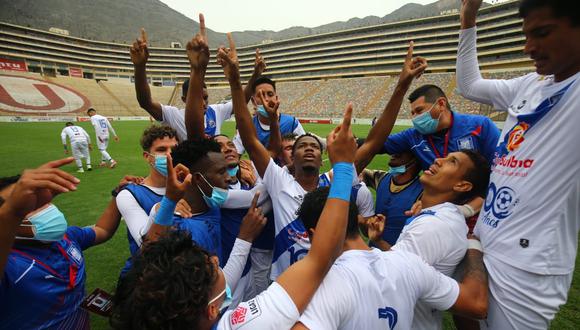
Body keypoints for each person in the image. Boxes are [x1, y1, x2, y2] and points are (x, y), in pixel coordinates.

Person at [110, 39, 359, 327]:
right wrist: (342, 168)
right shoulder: (239, 320)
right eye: (207, 267)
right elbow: (318, 259)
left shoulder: (191, 210)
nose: (214, 261)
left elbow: (150, 246)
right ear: (210, 309)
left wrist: (166, 203)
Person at [456, 0, 580, 328]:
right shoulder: (529, 85)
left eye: (542, 33)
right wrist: (468, 20)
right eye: (526, 36)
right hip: (485, 238)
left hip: (529, 266)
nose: (529, 48)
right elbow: (469, 86)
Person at [222, 39, 373, 279]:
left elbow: (367, 147)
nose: (308, 148)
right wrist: (234, 79)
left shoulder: (327, 177)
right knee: (253, 200)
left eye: (315, 145)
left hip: (326, 274)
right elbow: (247, 143)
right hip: (285, 273)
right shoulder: (278, 175)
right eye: (302, 146)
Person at [292, 185, 489, 330]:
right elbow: (476, 304)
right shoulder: (409, 263)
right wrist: (473, 246)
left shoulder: (321, 286)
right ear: (354, 219)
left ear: (314, 234)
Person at [365, 150, 491, 330]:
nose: (438, 160)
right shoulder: (439, 216)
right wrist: (379, 241)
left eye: (452, 162)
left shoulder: (434, 226)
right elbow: (408, 264)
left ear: (462, 185)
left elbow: (388, 279)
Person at [0, 159, 127, 328]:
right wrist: (12, 212)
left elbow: (101, 230)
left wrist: (117, 194)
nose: (44, 209)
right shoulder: (10, 266)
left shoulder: (66, 238)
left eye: (40, 202)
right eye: (26, 207)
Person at [129, 19, 267, 141]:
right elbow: (145, 102)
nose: (203, 102)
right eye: (197, 97)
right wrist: (140, 67)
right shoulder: (174, 115)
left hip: (214, 169)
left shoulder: (215, 111)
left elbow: (241, 101)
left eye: (205, 97)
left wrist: (255, 75)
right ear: (184, 99)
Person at [115, 125, 178, 277]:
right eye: (162, 150)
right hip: (149, 279)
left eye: (174, 149)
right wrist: (166, 204)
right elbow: (145, 243)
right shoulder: (129, 195)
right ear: (147, 156)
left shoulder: (189, 185)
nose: (170, 155)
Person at [232, 76, 306, 155]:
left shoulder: (292, 123)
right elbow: (235, 154)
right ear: (253, 101)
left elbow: (304, 150)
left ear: (276, 98)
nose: (266, 99)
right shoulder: (247, 127)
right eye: (261, 95)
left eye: (270, 94)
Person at [361, 150, 423, 245]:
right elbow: (360, 172)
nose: (393, 153)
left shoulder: (422, 192)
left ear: (414, 160)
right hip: (373, 251)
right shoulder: (382, 177)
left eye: (401, 151)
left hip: (398, 255)